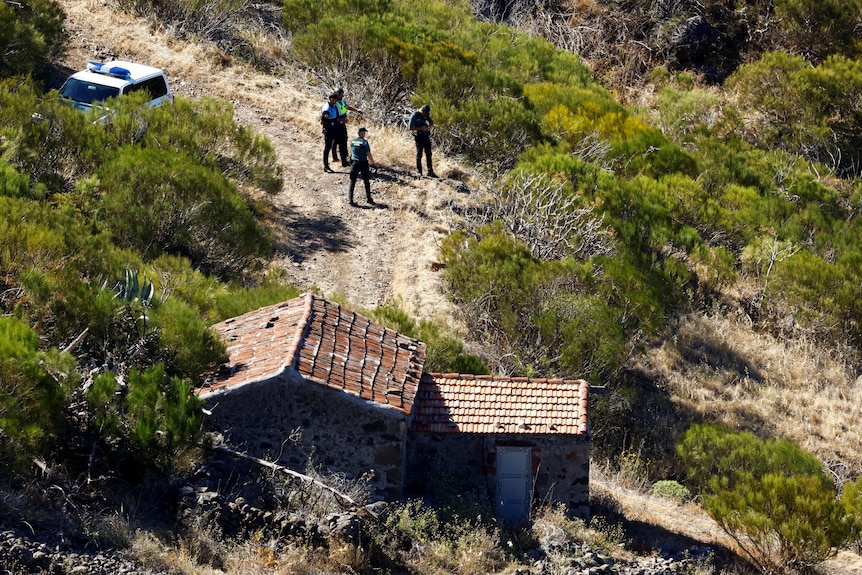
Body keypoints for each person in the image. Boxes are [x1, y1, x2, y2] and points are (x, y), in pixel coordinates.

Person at [333, 87, 363, 166]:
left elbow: (348, 107)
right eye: (341, 94)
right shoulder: (334, 104)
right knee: (340, 143)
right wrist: (342, 120)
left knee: (344, 141)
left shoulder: (342, 102)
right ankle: (341, 160)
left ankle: (344, 160)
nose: (342, 95)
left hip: (342, 125)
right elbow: (333, 116)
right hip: (337, 126)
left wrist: (357, 110)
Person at [348, 126, 377, 206]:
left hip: (354, 163)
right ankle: (369, 198)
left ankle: (350, 199)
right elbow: (368, 154)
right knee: (366, 181)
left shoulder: (352, 141)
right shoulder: (364, 142)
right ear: (361, 133)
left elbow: (352, 152)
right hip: (363, 163)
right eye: (364, 132)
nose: (365, 134)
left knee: (352, 181)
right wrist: (374, 163)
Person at [409, 104, 436, 178]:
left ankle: (430, 172)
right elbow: (410, 127)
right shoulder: (415, 115)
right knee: (419, 154)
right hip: (419, 136)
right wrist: (421, 128)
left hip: (426, 135)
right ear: (422, 111)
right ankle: (419, 172)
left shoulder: (425, 114)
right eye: (424, 113)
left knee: (429, 154)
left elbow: (431, 121)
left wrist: (429, 127)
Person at [320, 92, 342, 172]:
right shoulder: (326, 109)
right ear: (331, 99)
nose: (336, 101)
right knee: (327, 147)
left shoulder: (334, 106)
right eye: (335, 99)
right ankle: (326, 166)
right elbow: (323, 121)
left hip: (334, 127)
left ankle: (335, 157)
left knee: (336, 142)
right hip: (329, 129)